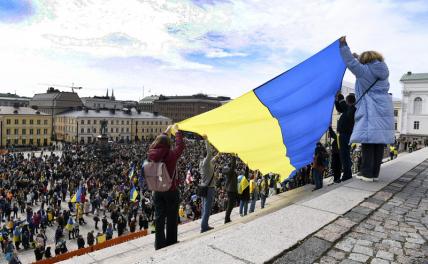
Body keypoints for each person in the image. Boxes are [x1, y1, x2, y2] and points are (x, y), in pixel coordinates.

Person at [339, 36, 394, 181]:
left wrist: (343, 45)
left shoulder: (364, 72)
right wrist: (358, 57)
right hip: (383, 107)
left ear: (365, 61)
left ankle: (367, 173)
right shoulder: (382, 71)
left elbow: (350, 63)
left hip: (371, 108)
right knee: (378, 142)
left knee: (368, 141)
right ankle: (374, 173)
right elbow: (361, 64)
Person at [148, 124, 185, 250]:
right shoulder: (171, 154)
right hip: (170, 190)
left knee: (159, 217)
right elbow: (180, 147)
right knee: (171, 216)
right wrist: (177, 132)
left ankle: (159, 244)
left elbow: (159, 142)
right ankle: (171, 241)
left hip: (157, 190)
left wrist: (165, 132)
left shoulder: (151, 153)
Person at [199, 135, 219, 233]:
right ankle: (204, 226)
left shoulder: (203, 163)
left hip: (204, 187)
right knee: (207, 208)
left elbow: (212, 159)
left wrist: (219, 154)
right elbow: (210, 153)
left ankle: (204, 224)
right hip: (209, 188)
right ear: (206, 156)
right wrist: (206, 140)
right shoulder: (206, 163)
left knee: (204, 207)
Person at [335, 92, 356, 181]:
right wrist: (337, 100)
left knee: (344, 155)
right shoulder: (349, 109)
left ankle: (347, 175)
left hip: (345, 135)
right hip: (344, 135)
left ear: (348, 102)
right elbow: (340, 109)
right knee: (344, 155)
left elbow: (343, 107)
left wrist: (340, 97)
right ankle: (347, 174)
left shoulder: (352, 109)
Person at [224, 155, 237, 224]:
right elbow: (233, 166)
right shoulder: (230, 172)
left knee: (231, 204)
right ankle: (226, 219)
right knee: (230, 205)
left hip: (231, 190)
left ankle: (227, 218)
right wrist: (233, 156)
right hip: (231, 190)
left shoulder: (230, 172)